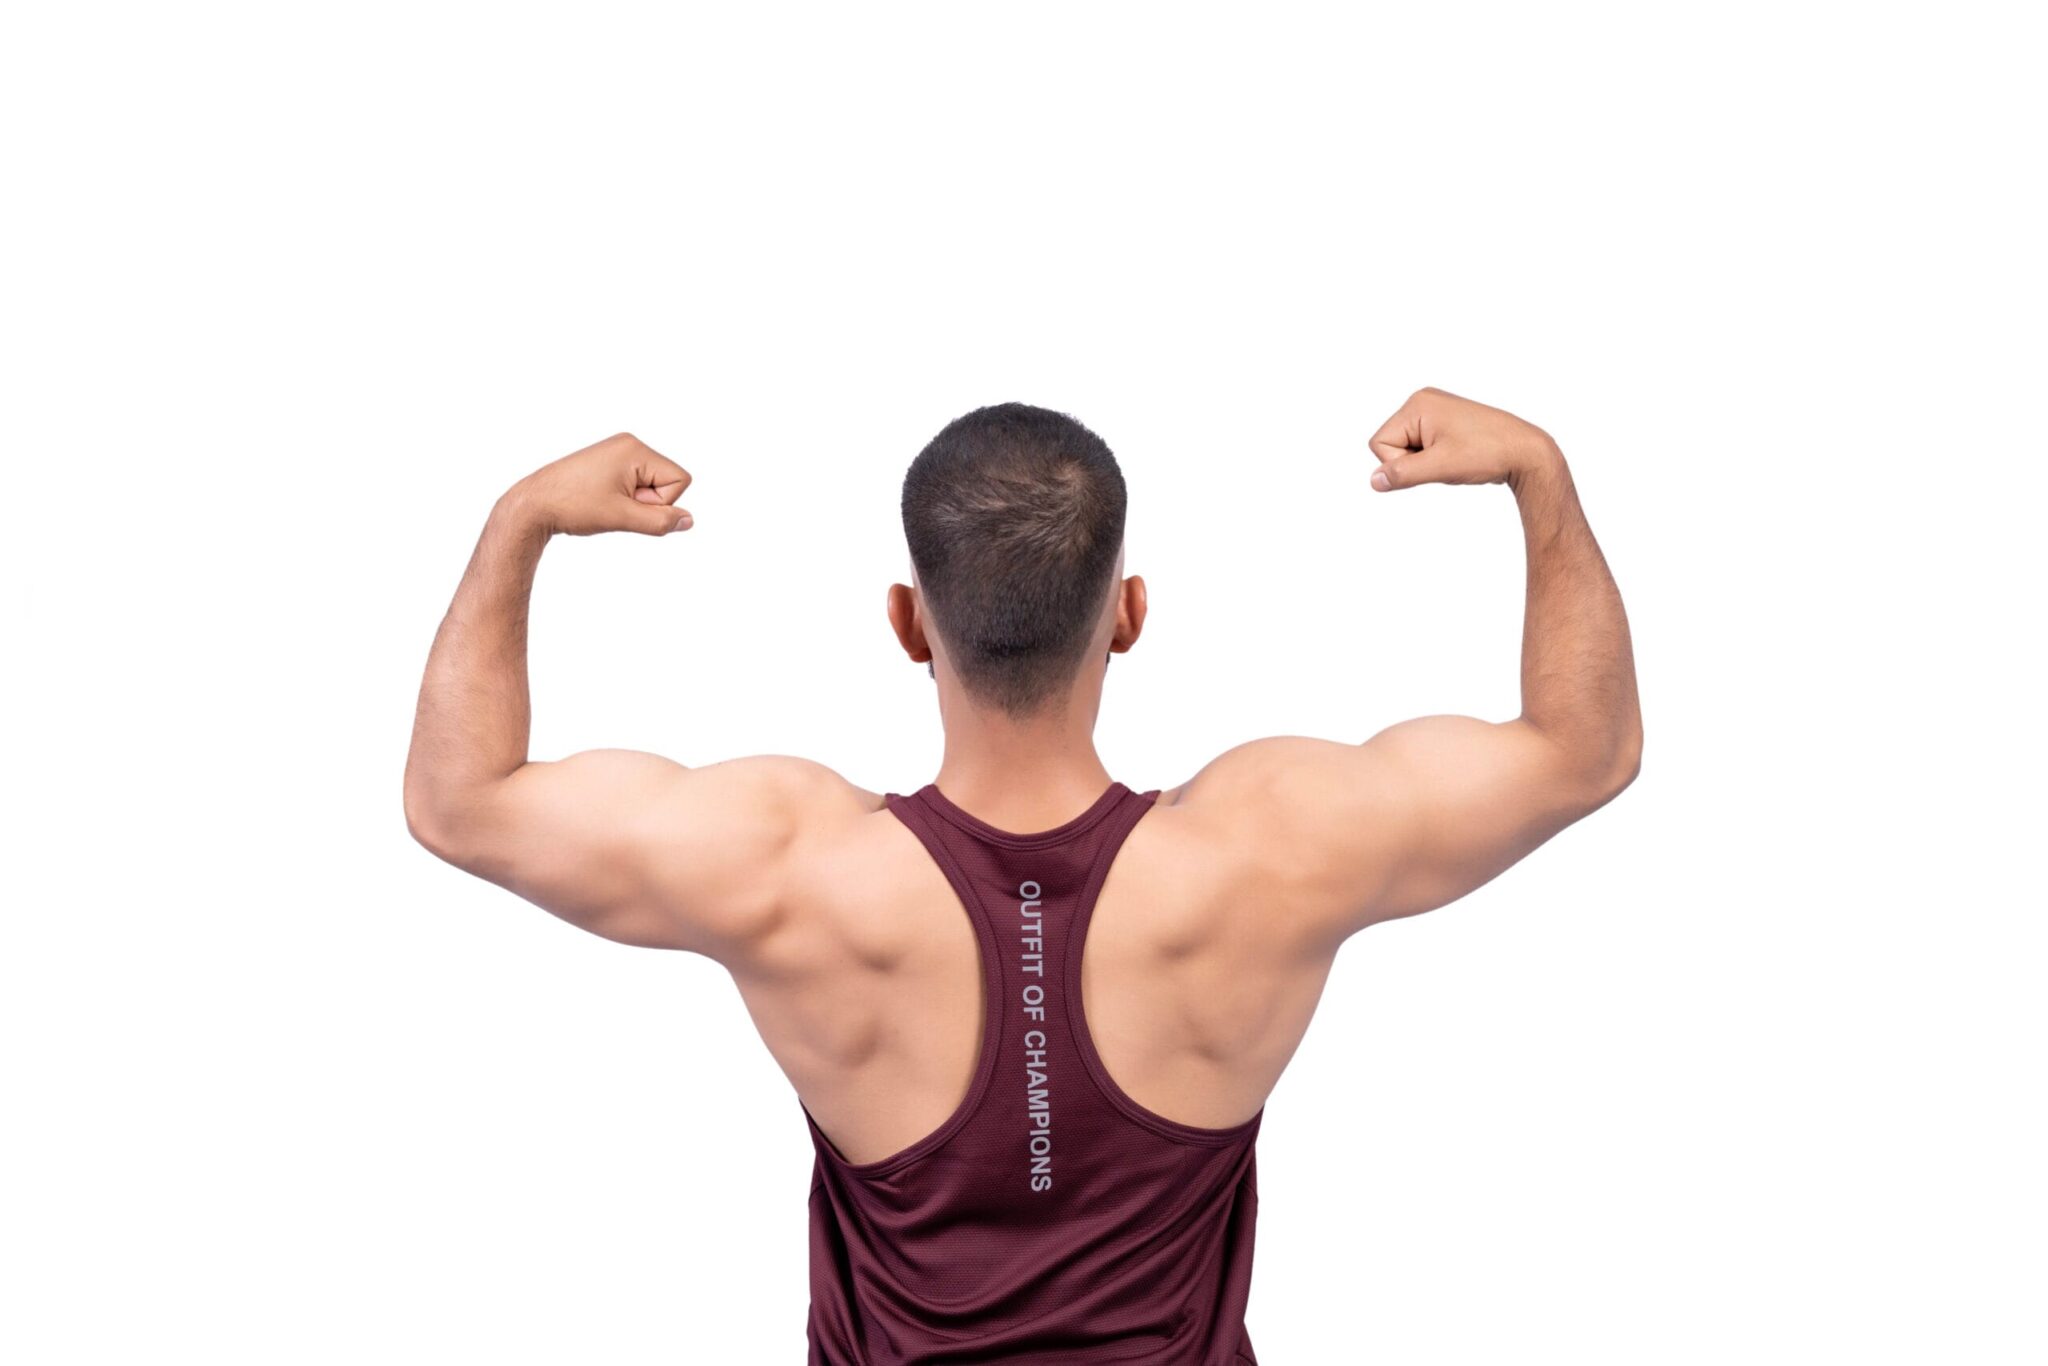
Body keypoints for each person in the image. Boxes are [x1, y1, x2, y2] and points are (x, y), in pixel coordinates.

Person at [403, 388, 1642, 1364]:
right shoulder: (1272, 846)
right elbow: (1582, 750)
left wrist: (521, 519)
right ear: (1129, 614)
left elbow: (460, 803)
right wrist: (1536, 469)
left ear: (907, 623)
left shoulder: (788, 864)